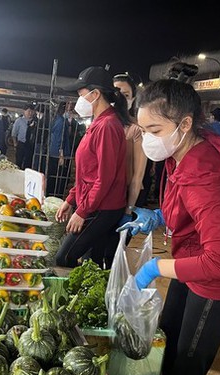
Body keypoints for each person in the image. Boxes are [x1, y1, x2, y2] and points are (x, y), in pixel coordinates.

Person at [117, 77, 220, 375]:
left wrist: (154, 268)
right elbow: (193, 211)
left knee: (186, 365)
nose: (147, 139)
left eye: (154, 129)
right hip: (192, 263)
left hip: (218, 282)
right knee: (169, 338)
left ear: (185, 123)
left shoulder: (204, 176)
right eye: (143, 129)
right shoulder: (185, 153)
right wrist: (160, 216)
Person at [54, 66, 129, 269]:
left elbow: (104, 178)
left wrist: (83, 212)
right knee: (91, 261)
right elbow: (87, 173)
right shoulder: (98, 123)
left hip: (102, 207)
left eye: (81, 94)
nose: (77, 100)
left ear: (95, 94)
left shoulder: (107, 126)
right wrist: (71, 200)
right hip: (94, 203)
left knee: (64, 257)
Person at [114, 73, 149, 221]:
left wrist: (128, 211)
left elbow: (138, 176)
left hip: (127, 195)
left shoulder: (136, 129)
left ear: (133, 99)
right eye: (116, 93)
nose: (120, 99)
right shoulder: (101, 125)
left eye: (126, 95)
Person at [47, 102, 71, 198]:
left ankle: (51, 194)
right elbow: (59, 139)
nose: (71, 111)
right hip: (59, 153)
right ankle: (56, 196)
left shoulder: (57, 119)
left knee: (53, 175)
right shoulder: (61, 121)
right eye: (69, 109)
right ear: (65, 109)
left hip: (54, 152)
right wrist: (61, 155)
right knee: (59, 177)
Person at [12, 104, 36, 169]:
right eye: (28, 111)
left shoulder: (35, 122)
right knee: (19, 162)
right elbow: (14, 133)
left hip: (30, 145)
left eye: (32, 111)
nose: (30, 113)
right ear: (24, 111)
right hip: (21, 144)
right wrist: (15, 143)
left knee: (28, 162)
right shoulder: (19, 121)